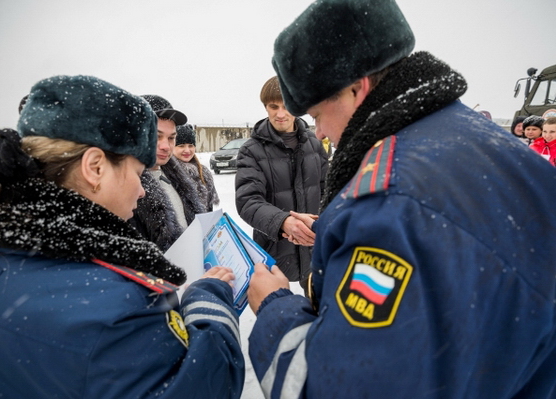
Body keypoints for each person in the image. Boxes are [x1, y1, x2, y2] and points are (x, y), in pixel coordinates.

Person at [246, 1, 556, 398]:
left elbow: (342, 387)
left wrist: (273, 307)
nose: (320, 131)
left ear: (358, 88)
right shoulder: (490, 144)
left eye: (319, 113)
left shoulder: (384, 204)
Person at [0, 75, 244, 398]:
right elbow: (203, 386)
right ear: (94, 167)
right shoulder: (119, 306)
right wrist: (209, 304)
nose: (140, 190)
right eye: (137, 173)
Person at [235, 75, 328, 288]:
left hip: (314, 247)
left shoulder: (315, 143)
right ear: (265, 107)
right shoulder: (251, 150)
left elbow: (327, 190)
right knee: (275, 312)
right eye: (273, 106)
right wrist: (283, 221)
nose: (280, 114)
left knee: (318, 312)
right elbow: (248, 201)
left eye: (286, 106)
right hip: (273, 250)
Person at [130, 95, 206, 251]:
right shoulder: (124, 188)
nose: (166, 146)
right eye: (156, 136)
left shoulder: (178, 177)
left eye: (171, 138)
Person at [173, 124, 220, 211]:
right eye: (181, 146)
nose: (187, 150)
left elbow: (209, 209)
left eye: (191, 145)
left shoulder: (204, 172)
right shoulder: (167, 172)